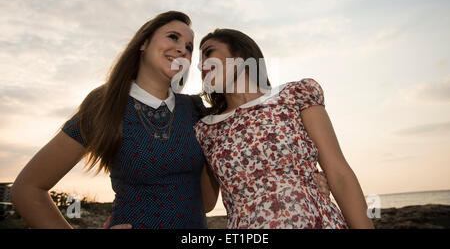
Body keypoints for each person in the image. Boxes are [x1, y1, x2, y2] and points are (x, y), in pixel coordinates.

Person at [10, 11, 332, 229]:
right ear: (143, 43)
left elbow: (207, 203)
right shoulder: (103, 104)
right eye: (174, 37)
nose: (183, 50)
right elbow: (28, 188)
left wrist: (302, 179)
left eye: (190, 47)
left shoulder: (198, 112)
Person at [194, 28, 375, 229]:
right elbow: (206, 204)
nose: (201, 65)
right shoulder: (206, 129)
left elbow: (339, 174)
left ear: (240, 56)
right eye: (199, 62)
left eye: (209, 53)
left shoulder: (294, 96)